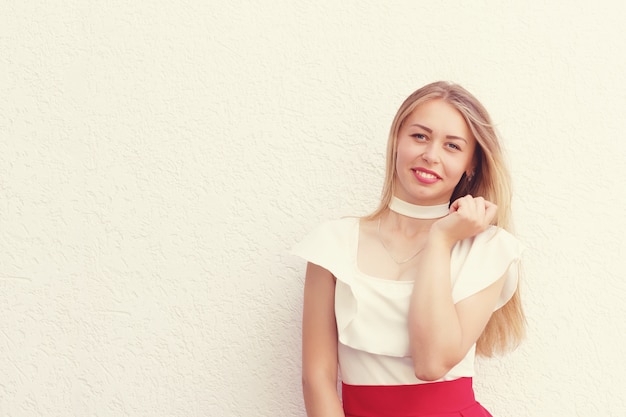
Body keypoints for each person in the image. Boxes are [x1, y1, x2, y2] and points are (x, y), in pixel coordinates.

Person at [291, 81, 525, 417]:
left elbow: (432, 363)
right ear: (396, 142)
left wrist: (441, 240)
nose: (431, 155)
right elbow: (317, 379)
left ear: (471, 164)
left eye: (453, 146)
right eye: (419, 136)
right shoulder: (333, 244)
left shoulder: (489, 249)